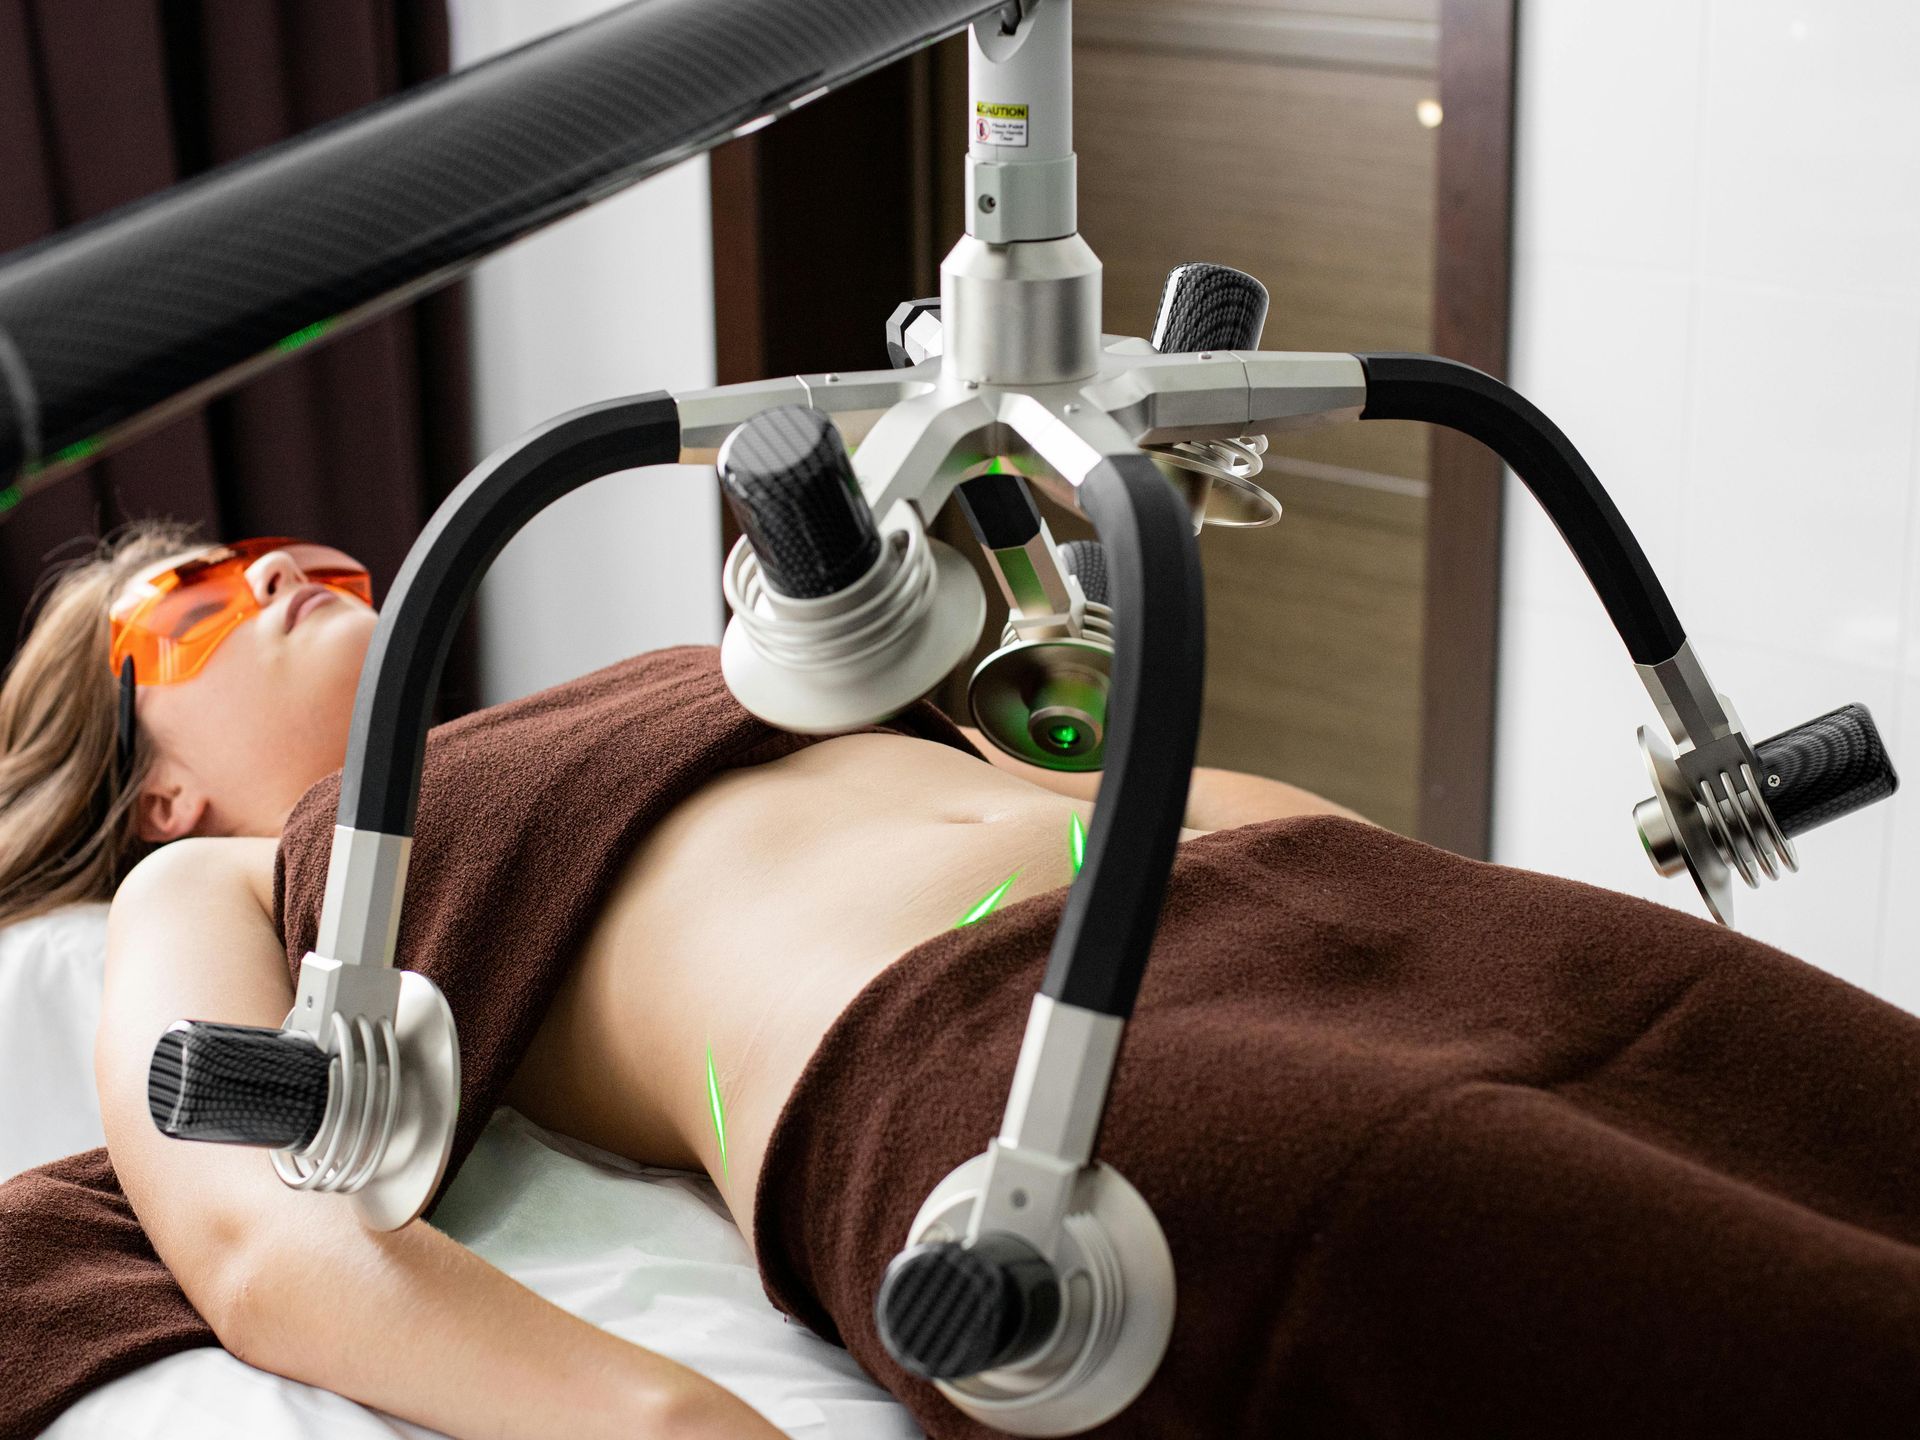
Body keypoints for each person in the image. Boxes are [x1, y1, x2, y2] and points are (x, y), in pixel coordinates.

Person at [0, 522, 1355, 1438]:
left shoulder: (641, 693)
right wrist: (678, 1423)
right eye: (188, 607)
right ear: (158, 792)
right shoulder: (216, 886)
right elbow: (263, 1248)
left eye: (287, 559)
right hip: (1043, 1071)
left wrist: (1388, 877)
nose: (274, 578)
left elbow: (1127, 792)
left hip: (1311, 914)